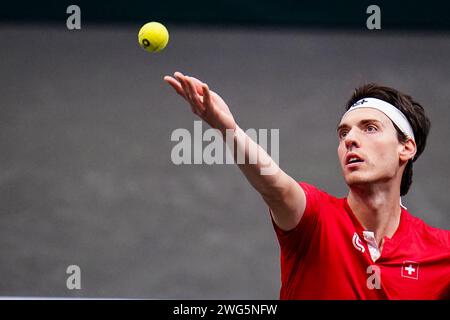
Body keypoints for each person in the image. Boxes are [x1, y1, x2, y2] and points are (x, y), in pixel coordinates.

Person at [164, 72, 450, 299]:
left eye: (370, 128)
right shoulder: (315, 220)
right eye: (343, 133)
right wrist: (228, 129)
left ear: (406, 148)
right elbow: (274, 186)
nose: (349, 139)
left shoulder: (441, 253)